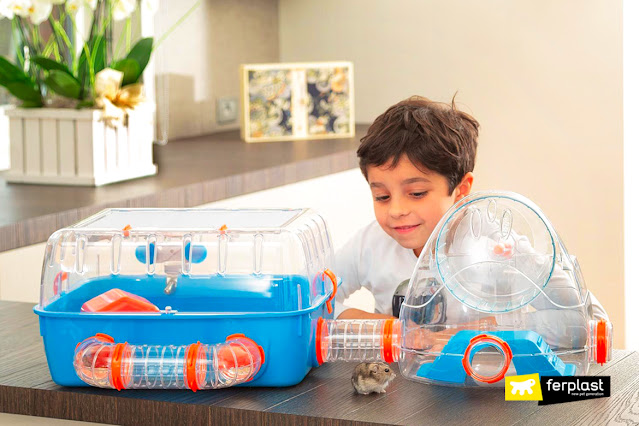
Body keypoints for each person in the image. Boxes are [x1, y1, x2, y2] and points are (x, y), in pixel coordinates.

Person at [333, 95, 607, 330]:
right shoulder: (370, 244)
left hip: (488, 374)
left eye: (416, 193)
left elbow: (586, 319)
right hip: (399, 376)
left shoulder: (498, 246)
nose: (396, 210)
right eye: (382, 196)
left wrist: (488, 327)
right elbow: (315, 303)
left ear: (461, 189)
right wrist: (394, 329)